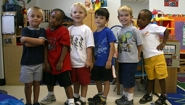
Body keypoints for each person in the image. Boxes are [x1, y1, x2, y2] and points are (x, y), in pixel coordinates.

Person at [40, 9, 75, 105]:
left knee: (66, 83)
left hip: (62, 62)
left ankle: (71, 101)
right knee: (49, 81)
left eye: (58, 19)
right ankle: (51, 96)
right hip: (50, 61)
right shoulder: (46, 31)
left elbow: (65, 46)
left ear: (61, 22)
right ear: (49, 16)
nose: (53, 20)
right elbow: (46, 47)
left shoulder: (63, 30)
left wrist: (60, 61)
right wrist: (46, 62)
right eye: (52, 17)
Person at [137, 9, 169, 105]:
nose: (139, 20)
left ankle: (163, 95)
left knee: (161, 76)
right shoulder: (138, 31)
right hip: (147, 58)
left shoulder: (152, 27)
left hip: (157, 56)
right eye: (139, 18)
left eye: (143, 19)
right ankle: (148, 94)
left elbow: (166, 30)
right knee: (150, 77)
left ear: (148, 21)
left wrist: (163, 43)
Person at [115, 5, 142, 105]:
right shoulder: (119, 31)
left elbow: (140, 45)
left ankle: (129, 99)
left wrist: (138, 56)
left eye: (126, 15)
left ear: (131, 17)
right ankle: (124, 96)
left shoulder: (134, 30)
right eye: (121, 15)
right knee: (123, 80)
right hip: (121, 60)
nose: (123, 17)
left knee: (129, 81)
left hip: (131, 61)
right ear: (118, 18)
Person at [68, 2, 95, 105]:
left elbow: (89, 46)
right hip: (72, 61)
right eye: (75, 12)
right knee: (75, 80)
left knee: (84, 81)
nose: (77, 14)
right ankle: (75, 96)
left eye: (80, 12)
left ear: (85, 15)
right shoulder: (69, 29)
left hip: (83, 61)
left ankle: (83, 99)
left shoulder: (86, 30)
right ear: (71, 15)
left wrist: (89, 60)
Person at [89, 8, 116, 105]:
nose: (98, 19)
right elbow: (91, 48)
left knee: (106, 80)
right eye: (96, 17)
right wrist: (92, 60)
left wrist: (109, 60)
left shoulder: (108, 31)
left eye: (101, 18)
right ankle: (100, 95)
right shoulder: (93, 34)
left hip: (106, 62)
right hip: (97, 62)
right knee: (96, 79)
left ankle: (104, 98)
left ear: (106, 20)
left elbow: (112, 46)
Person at [19, 6, 46, 105]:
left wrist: (26, 39)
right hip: (26, 63)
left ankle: (35, 102)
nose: (35, 18)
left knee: (37, 84)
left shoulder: (42, 30)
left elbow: (41, 41)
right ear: (28, 18)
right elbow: (27, 45)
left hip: (38, 62)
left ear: (42, 19)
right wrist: (38, 42)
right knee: (28, 85)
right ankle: (28, 102)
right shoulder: (25, 30)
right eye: (32, 16)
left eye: (38, 16)